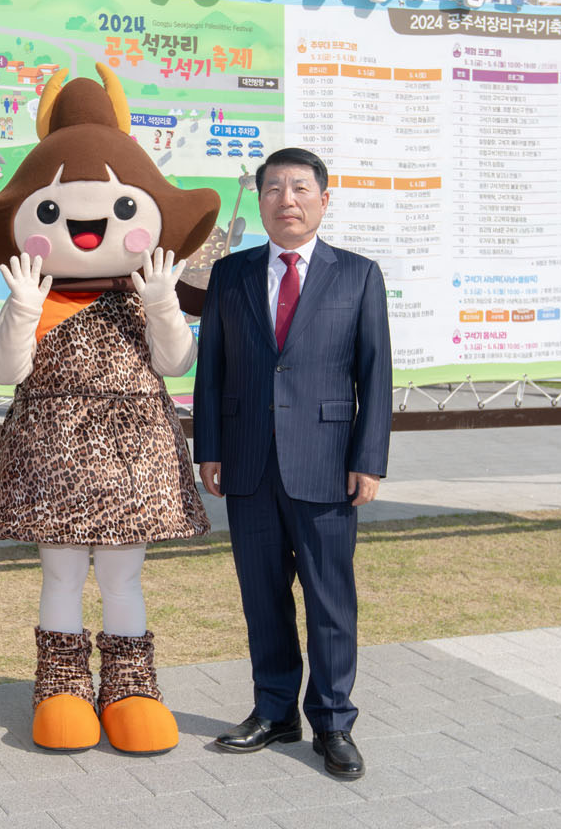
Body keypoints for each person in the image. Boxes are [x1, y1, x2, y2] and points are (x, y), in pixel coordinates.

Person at [193, 147, 390, 781]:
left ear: (324, 200)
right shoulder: (231, 275)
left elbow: (375, 376)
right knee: (262, 595)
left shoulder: (357, 275)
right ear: (260, 201)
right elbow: (212, 368)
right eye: (274, 188)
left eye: (300, 188)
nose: (287, 200)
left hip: (327, 464)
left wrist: (368, 460)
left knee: (330, 600)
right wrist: (210, 447)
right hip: (249, 462)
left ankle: (333, 722)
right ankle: (275, 711)